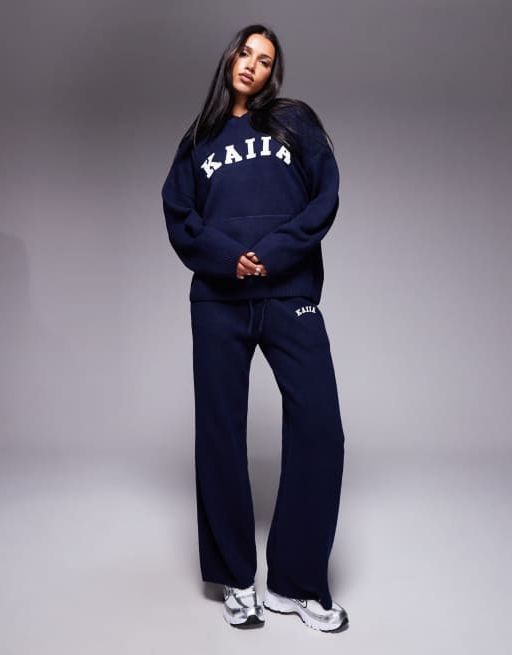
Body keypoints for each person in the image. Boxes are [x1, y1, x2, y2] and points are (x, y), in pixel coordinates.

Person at [161, 23, 349, 633]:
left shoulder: (294, 122)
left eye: (264, 60)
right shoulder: (199, 138)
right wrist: (227, 257)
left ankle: (296, 584)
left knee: (320, 428)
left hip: (289, 292)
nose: (251, 65)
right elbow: (179, 213)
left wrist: (271, 252)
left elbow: (325, 197)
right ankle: (237, 579)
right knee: (219, 435)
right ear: (230, 59)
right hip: (218, 300)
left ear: (273, 73)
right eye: (245, 53)